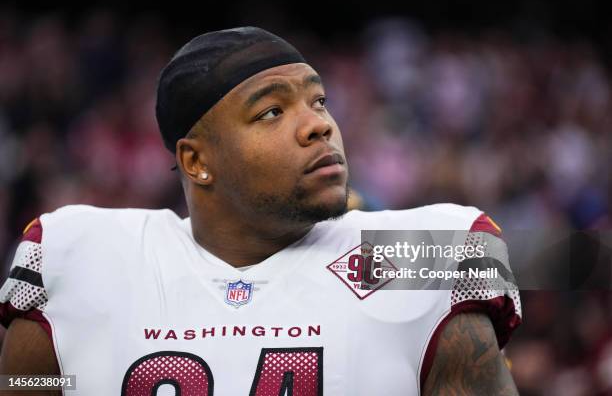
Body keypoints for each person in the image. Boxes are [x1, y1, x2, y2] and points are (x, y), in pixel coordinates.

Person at [0, 27, 521, 395]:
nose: (318, 125)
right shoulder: (86, 256)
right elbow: (33, 386)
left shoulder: (409, 256)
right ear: (196, 161)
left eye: (318, 102)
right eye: (272, 111)